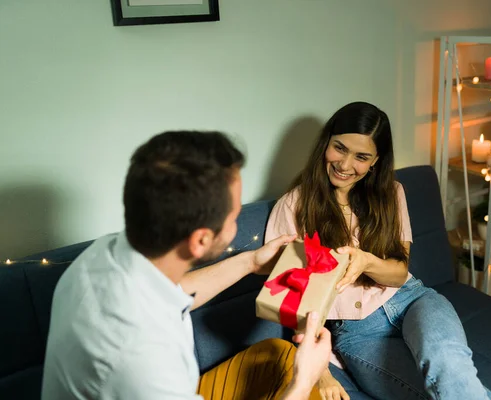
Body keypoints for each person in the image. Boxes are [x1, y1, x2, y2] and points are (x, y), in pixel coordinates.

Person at [41, 131, 331, 400]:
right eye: (234, 217)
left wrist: (251, 261)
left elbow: (170, 293)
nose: (237, 223)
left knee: (277, 353)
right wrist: (303, 382)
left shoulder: (105, 253)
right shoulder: (144, 363)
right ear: (201, 240)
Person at [265, 102, 491, 400]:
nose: (345, 165)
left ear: (376, 161)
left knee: (452, 369)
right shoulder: (293, 206)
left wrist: (365, 262)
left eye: (361, 157)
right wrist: (319, 373)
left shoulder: (391, 193)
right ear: (326, 142)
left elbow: (399, 273)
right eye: (339, 148)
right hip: (358, 330)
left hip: (414, 299)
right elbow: (291, 303)